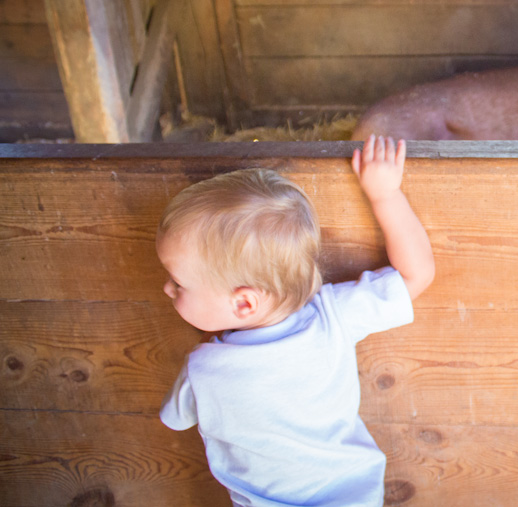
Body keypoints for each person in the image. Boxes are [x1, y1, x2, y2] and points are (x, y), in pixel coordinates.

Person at [158, 135, 435, 507]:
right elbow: (416, 275)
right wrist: (385, 195)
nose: (166, 289)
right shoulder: (333, 317)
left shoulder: (202, 370)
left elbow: (175, 419)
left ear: (244, 303)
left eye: (178, 283)